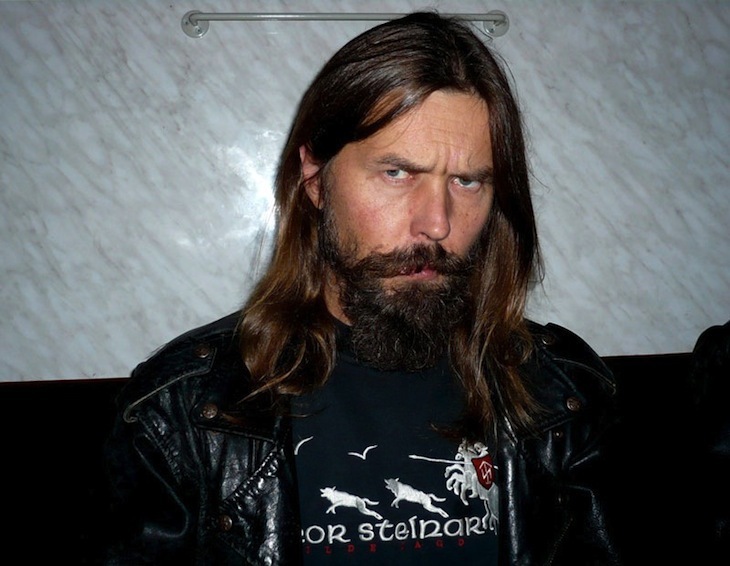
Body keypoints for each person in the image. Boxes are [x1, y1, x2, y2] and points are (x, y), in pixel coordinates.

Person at [101, 11, 622, 565]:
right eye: (397, 173)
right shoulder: (179, 413)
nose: (437, 223)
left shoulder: (565, 397)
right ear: (314, 178)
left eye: (467, 181)